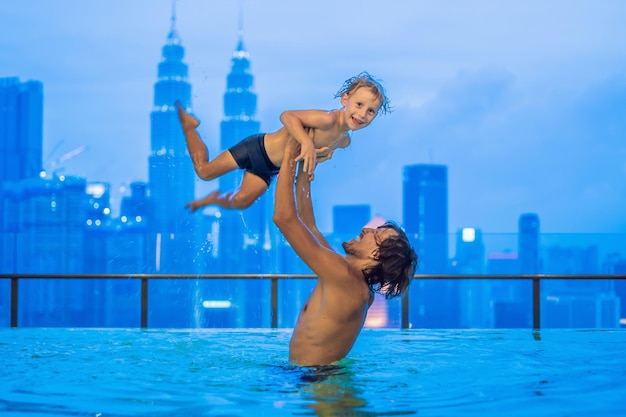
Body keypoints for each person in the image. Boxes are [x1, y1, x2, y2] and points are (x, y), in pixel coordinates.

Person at [273, 138, 418, 367]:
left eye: (376, 235)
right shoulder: (349, 280)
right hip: (317, 378)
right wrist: (306, 164)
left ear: (376, 256)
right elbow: (308, 225)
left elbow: (284, 218)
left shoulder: (342, 277)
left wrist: (289, 153)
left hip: (317, 384)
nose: (366, 229)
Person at [176, 71, 391, 212]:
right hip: (257, 149)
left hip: (270, 168)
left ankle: (212, 199)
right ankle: (189, 127)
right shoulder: (327, 119)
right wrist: (307, 143)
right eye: (359, 104)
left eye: (371, 111)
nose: (362, 114)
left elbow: (314, 156)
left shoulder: (344, 141)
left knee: (240, 202)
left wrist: (317, 158)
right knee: (204, 172)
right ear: (346, 100)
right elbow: (288, 116)